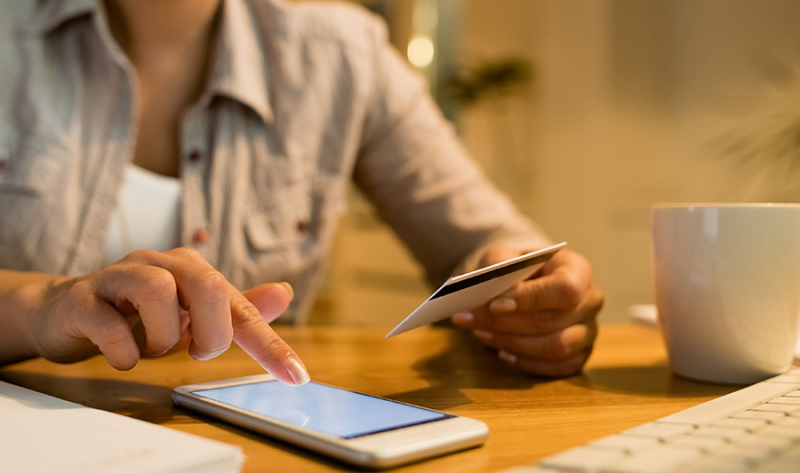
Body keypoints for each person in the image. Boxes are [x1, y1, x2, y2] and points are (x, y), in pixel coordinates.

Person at [0, 0, 603, 385]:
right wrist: (42, 304)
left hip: (262, 438)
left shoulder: (344, 54)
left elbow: (485, 238)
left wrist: (530, 288)